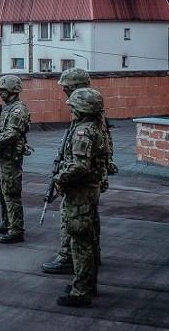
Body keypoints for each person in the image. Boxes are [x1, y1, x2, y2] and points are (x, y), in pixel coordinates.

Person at [42, 68, 115, 275]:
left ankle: (69, 257)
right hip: (90, 173)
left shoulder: (89, 113)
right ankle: (91, 256)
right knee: (88, 216)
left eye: (67, 86)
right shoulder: (91, 110)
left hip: (85, 177)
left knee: (73, 216)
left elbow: (101, 145)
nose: (63, 89)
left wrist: (64, 176)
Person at [54, 87, 109, 307]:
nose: (71, 110)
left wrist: (60, 179)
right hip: (88, 191)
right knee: (89, 239)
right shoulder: (92, 127)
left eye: (74, 107)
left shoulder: (83, 132)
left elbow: (79, 166)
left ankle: (81, 291)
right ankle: (87, 283)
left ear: (83, 109)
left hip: (81, 193)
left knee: (80, 241)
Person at [0, 74, 31, 243]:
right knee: (1, 193)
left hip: (10, 159)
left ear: (12, 90)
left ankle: (16, 229)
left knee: (11, 194)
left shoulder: (18, 109)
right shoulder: (5, 108)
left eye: (3, 90)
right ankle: (6, 222)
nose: (0, 93)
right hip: (0, 158)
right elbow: (1, 130)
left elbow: (11, 134)